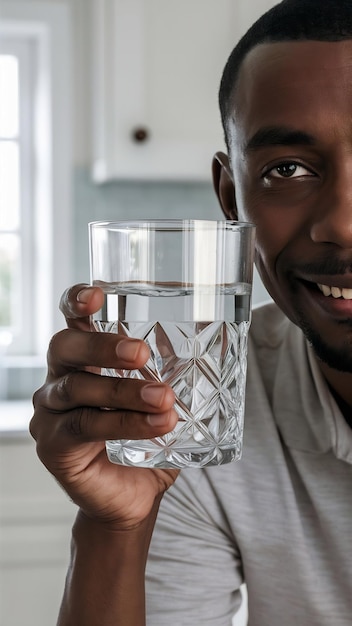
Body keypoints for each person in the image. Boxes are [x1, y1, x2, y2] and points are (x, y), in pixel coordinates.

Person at [30, 0, 352, 624]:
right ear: (232, 197)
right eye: (288, 168)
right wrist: (116, 524)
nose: (341, 222)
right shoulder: (190, 417)